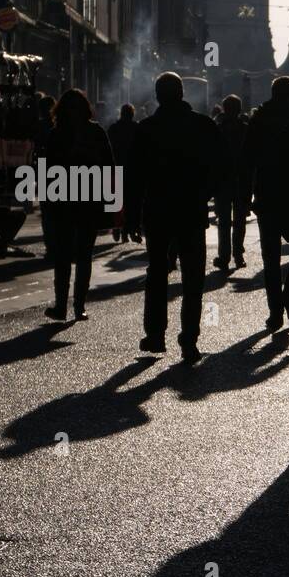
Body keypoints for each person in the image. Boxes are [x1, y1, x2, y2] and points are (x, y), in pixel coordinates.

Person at [129, 72, 227, 363]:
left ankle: (156, 334)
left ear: (158, 95)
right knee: (193, 277)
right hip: (190, 209)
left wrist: (131, 216)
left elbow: (135, 178)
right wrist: (204, 194)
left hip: (158, 209)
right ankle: (189, 339)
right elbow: (222, 166)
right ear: (182, 93)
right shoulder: (202, 126)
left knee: (157, 272)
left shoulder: (147, 129)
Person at [41, 89, 114, 321]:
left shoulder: (56, 134)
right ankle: (79, 305)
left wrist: (46, 202)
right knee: (84, 255)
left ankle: (61, 305)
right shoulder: (96, 132)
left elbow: (46, 171)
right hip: (88, 201)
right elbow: (110, 168)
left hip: (63, 201)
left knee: (62, 257)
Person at [244, 76, 289, 331]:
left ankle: (275, 310)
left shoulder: (259, 119)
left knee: (270, 259)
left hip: (267, 196)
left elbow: (247, 160)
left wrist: (246, 196)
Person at [213, 94, 249, 272]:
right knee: (240, 220)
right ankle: (238, 254)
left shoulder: (218, 130)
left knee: (224, 221)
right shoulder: (245, 130)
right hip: (241, 180)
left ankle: (224, 256)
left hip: (223, 181)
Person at [108, 104, 140, 243]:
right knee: (131, 200)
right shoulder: (137, 128)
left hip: (116, 167)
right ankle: (129, 229)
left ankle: (116, 226)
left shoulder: (113, 128)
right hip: (132, 169)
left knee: (116, 200)